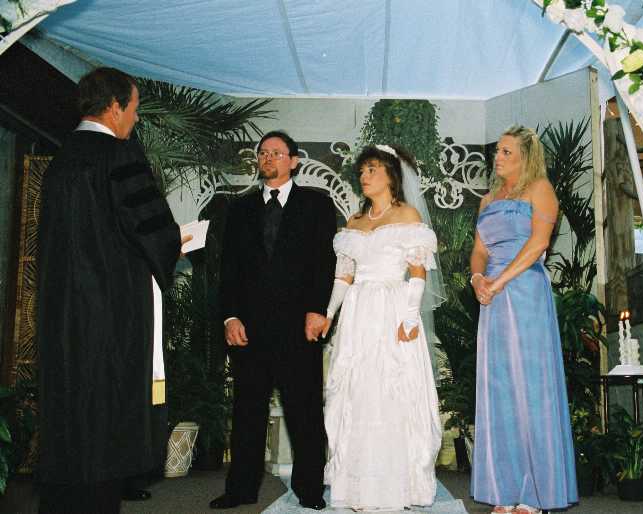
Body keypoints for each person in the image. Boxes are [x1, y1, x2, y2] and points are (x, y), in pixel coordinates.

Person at [36, 67, 184, 514]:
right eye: (134, 109)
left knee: (70, 419)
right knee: (105, 421)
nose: (135, 119)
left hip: (62, 314)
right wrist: (175, 242)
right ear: (115, 107)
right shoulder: (119, 155)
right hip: (109, 314)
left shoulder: (60, 160)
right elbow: (154, 233)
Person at [212, 130, 336, 510]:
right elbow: (228, 269)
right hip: (249, 329)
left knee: (305, 411)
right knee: (247, 412)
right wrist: (230, 316)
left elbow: (325, 263)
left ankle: (310, 489)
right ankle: (240, 489)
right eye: (263, 152)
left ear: (293, 161)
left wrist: (318, 310)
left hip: (300, 328)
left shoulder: (317, 204)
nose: (267, 158)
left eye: (276, 153)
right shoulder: (239, 208)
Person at [321, 144, 443, 511]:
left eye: (372, 169)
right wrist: (329, 314)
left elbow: (417, 273)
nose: (364, 176)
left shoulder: (407, 216)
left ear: (391, 174)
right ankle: (356, 487)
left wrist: (410, 317)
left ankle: (395, 488)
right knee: (356, 393)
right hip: (358, 314)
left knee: (390, 392)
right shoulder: (354, 222)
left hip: (392, 309)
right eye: (362, 171)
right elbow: (343, 277)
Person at [469, 126, 578, 514]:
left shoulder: (540, 189)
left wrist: (499, 281)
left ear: (526, 157)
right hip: (492, 298)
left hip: (525, 292)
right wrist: (478, 279)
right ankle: (504, 490)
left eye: (506, 152)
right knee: (498, 390)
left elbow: (538, 244)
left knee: (530, 388)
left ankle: (534, 494)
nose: (497, 157)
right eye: (497, 151)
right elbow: (479, 250)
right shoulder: (487, 200)